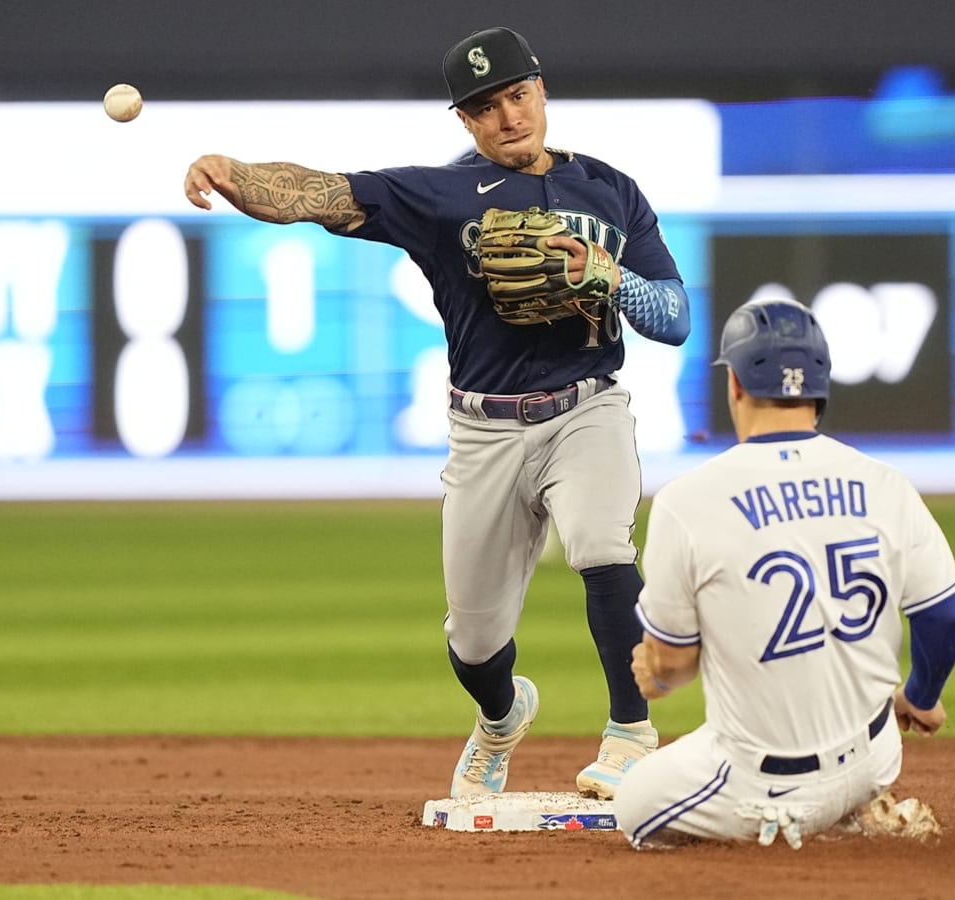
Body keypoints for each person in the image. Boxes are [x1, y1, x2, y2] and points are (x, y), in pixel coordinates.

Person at [183, 26, 691, 800]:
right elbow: (324, 193)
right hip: (484, 429)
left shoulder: (610, 190)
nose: (508, 117)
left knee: (601, 546)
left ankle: (630, 734)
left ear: (541, 90)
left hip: (588, 406)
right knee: (475, 642)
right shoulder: (441, 195)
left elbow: (675, 318)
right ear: (464, 121)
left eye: (518, 96)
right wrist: (232, 172)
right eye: (485, 108)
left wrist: (610, 278)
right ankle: (500, 717)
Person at [614, 297, 955, 848]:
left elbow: (674, 664)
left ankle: (798, 827)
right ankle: (850, 811)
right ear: (821, 389)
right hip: (876, 756)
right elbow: (942, 616)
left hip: (761, 782)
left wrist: (654, 674)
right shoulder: (886, 483)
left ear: (735, 386)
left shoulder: (688, 500)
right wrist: (920, 694)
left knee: (634, 805)